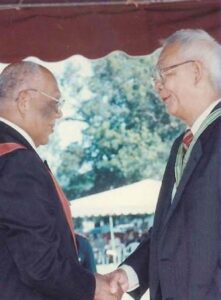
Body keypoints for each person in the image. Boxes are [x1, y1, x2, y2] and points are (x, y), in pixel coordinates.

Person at [107, 29, 221, 300]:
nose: (157, 85)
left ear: (196, 71)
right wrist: (128, 275)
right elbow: (169, 231)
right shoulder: (181, 144)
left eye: (164, 73)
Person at [0, 61, 121, 300]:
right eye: (55, 102)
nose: (60, 113)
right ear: (25, 100)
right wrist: (93, 287)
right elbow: (39, 265)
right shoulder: (17, 162)